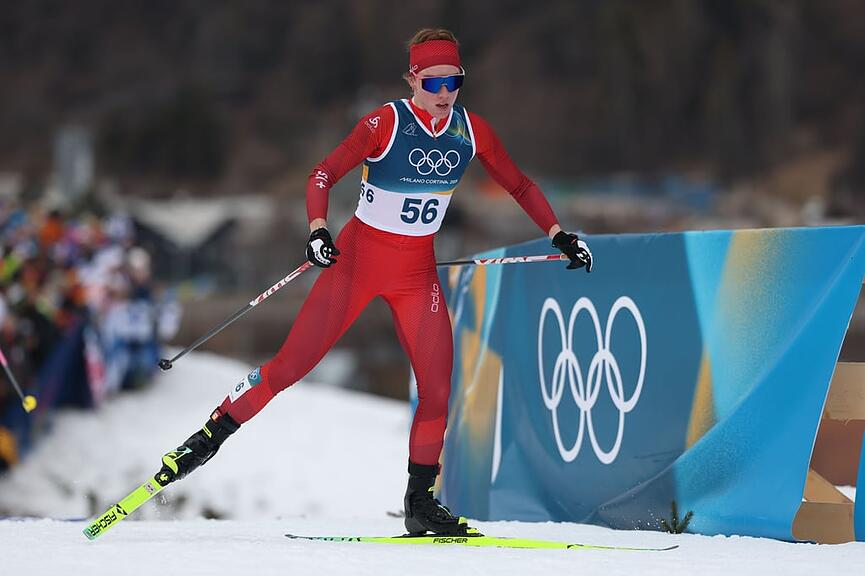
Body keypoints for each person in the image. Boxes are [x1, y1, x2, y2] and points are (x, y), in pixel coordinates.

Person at [157, 28, 592, 536]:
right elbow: (322, 174)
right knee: (290, 367)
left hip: (417, 275)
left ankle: (419, 502)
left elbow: (520, 184)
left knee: (437, 389)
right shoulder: (385, 123)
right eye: (433, 83)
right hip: (357, 266)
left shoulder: (471, 132)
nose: (444, 94)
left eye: (453, 82)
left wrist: (559, 234)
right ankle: (205, 439)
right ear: (412, 80)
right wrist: (318, 230)